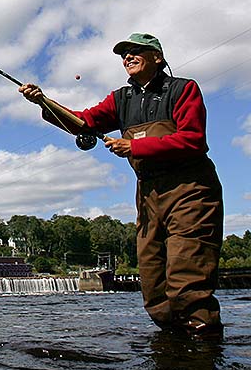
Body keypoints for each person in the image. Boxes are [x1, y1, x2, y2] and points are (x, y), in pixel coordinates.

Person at [19, 32, 224, 338]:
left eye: (135, 51)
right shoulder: (121, 98)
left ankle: (202, 360)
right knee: (154, 287)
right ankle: (175, 353)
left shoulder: (183, 89)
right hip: (148, 196)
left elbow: (193, 139)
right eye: (123, 53)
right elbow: (84, 123)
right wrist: (44, 102)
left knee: (187, 281)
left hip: (191, 191)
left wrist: (135, 147)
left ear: (157, 57)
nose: (127, 56)